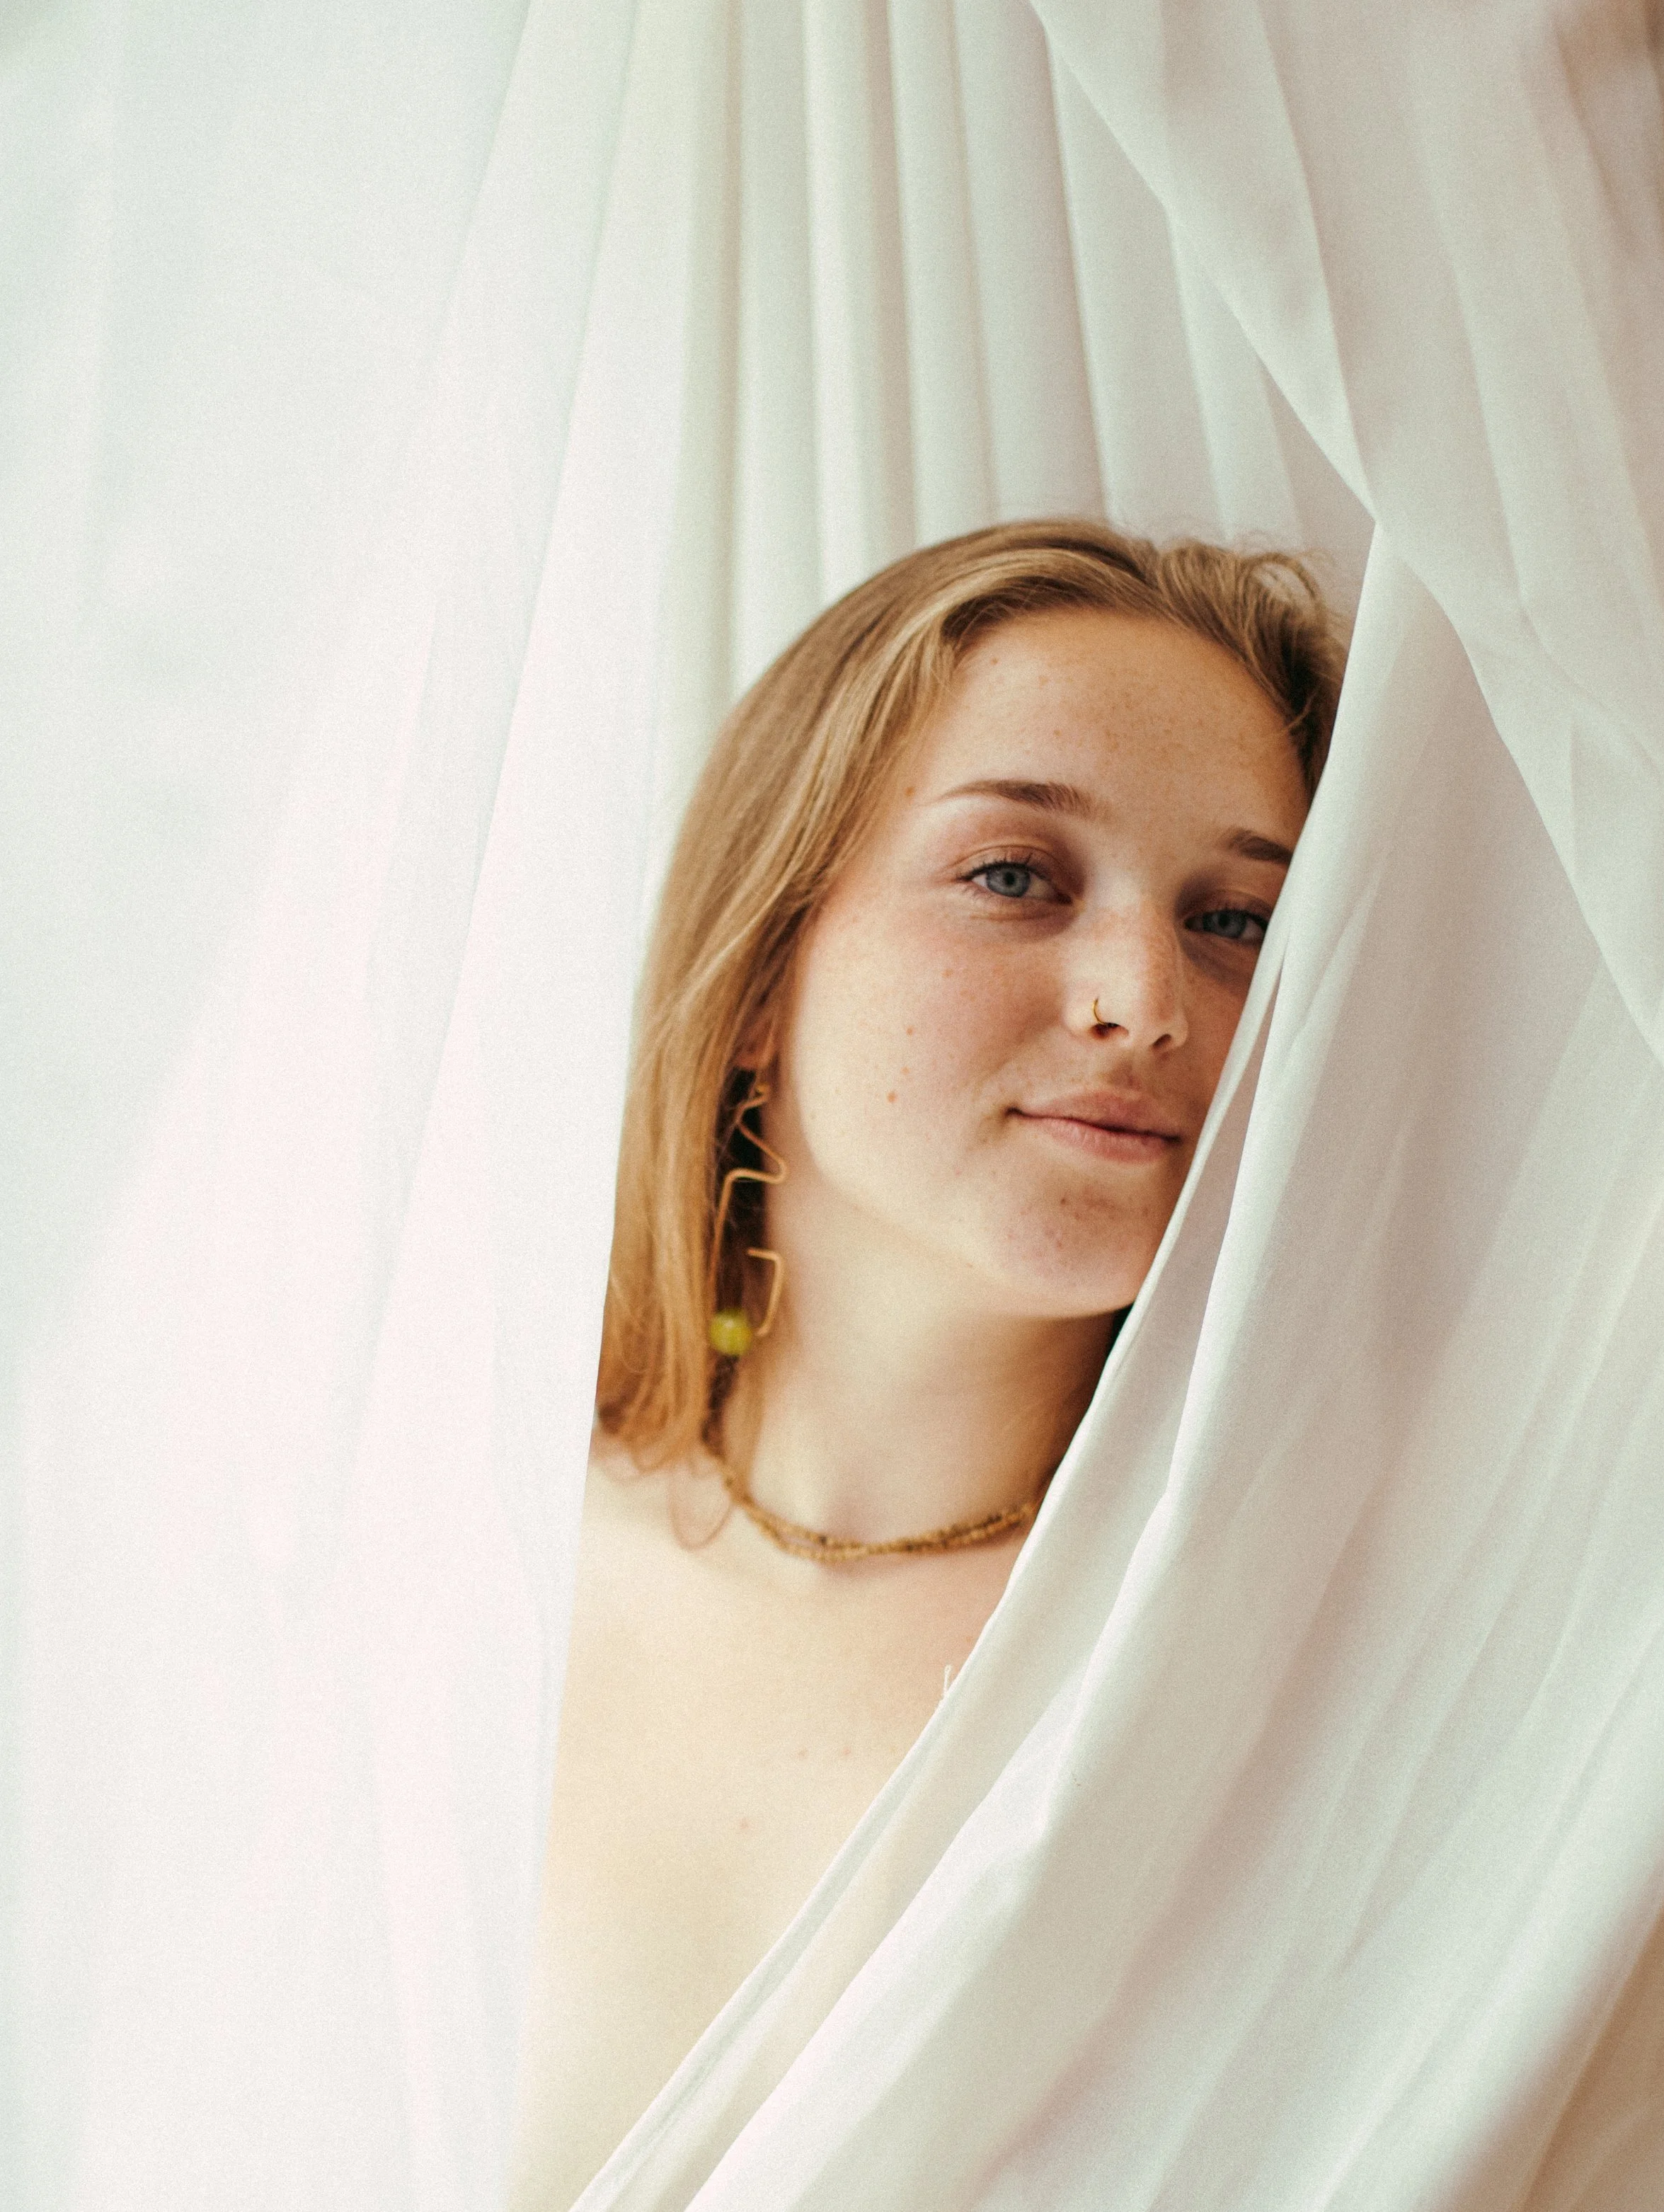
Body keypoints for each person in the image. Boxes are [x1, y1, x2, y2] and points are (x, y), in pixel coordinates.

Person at [504, 518, 1345, 2211]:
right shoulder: (457, 1558)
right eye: (1014, 874)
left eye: (1235, 919)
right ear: (760, 970)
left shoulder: (1289, 1638)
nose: (1142, 997)